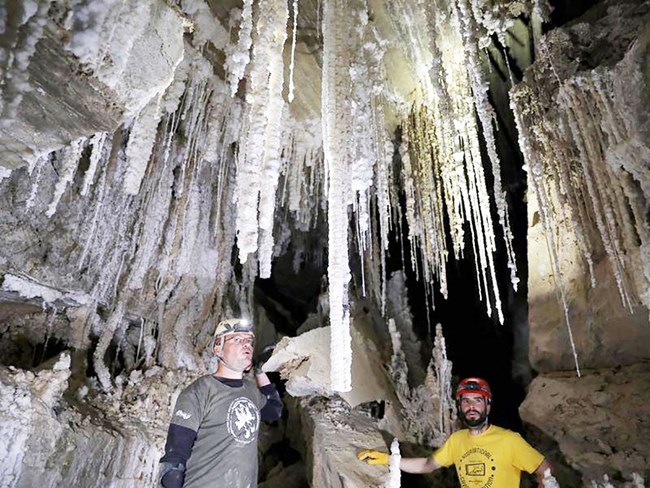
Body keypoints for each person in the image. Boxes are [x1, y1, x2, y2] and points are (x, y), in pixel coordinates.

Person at [358, 377, 554, 487]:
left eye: (478, 400)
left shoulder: (509, 440)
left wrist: (547, 484)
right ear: (459, 406)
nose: (471, 406)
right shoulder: (457, 440)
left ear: (487, 405)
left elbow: (543, 469)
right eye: (466, 401)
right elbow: (427, 465)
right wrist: (388, 460)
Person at [158, 318, 283, 488]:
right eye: (237, 339)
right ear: (218, 348)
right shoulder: (199, 392)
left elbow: (274, 410)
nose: (246, 345)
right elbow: (174, 459)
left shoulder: (251, 390)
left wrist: (259, 370)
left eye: (248, 341)